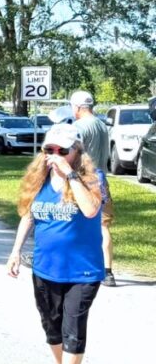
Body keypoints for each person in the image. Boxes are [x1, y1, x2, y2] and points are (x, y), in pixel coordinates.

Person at [6, 123, 105, 364]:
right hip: (45, 268)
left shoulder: (92, 178)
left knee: (73, 328)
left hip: (82, 272)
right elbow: (29, 215)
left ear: (77, 151)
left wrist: (70, 174)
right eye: (49, 149)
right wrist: (15, 251)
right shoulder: (39, 179)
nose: (55, 155)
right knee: (52, 329)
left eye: (63, 150)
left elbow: (90, 210)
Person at [71, 90, 116, 287]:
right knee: (103, 225)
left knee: (73, 221)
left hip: (82, 179)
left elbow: (73, 154)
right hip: (101, 179)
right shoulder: (101, 125)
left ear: (78, 107)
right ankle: (108, 272)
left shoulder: (79, 127)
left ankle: (76, 265)